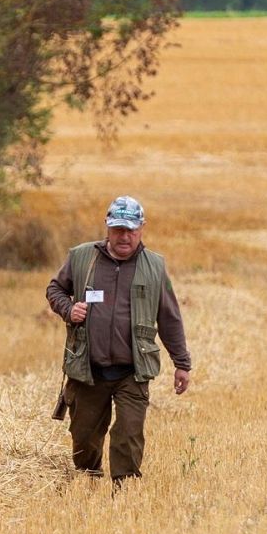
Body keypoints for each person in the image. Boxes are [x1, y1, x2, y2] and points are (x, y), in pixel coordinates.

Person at [46, 195, 192, 484]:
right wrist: (68, 309)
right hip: (89, 369)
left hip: (132, 372)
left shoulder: (155, 267)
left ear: (141, 228)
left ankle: (124, 490)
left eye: (131, 230)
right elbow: (55, 289)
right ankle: (89, 481)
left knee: (128, 435)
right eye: (118, 230)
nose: (124, 237)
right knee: (84, 440)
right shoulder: (81, 257)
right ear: (107, 227)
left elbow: (169, 318)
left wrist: (182, 363)